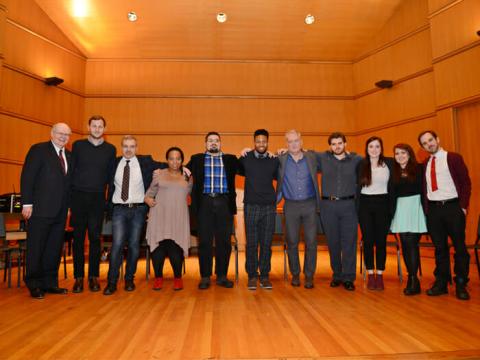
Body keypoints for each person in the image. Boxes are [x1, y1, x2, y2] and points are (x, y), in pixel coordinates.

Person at [103, 135, 167, 295]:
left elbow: (169, 165)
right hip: (119, 209)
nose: (129, 149)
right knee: (117, 245)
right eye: (125, 146)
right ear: (121, 147)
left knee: (133, 246)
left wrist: (184, 168)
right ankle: (112, 282)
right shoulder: (114, 163)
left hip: (138, 210)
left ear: (136, 148)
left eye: (132, 146)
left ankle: (129, 279)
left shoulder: (145, 161)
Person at [418, 130, 472, 300]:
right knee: (440, 248)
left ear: (437, 139)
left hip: (453, 207)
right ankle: (441, 282)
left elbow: (465, 183)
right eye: (425, 143)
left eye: (431, 140)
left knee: (460, 247)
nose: (429, 144)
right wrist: (427, 211)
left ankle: (461, 282)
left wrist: (462, 207)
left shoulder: (454, 158)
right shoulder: (426, 163)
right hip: (434, 211)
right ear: (423, 147)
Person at [20, 123, 72, 299]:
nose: (63, 137)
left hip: (60, 211)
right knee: (37, 247)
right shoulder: (38, 150)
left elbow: (68, 185)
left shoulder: (69, 156)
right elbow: (27, 177)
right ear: (52, 133)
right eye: (60, 133)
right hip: (39, 210)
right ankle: (34, 283)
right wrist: (26, 203)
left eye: (67, 134)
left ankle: (50, 283)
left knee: (53, 248)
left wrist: (69, 208)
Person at [187, 132, 239, 290]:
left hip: (224, 202)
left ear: (220, 143)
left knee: (224, 242)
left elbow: (248, 167)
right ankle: (205, 276)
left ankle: (222, 276)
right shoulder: (196, 159)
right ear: (205, 144)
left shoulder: (230, 159)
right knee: (204, 242)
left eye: (216, 140)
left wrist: (247, 152)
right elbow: (179, 169)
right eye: (210, 141)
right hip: (204, 203)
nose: (213, 143)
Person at [70, 115, 116, 293]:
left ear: (104, 129)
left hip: (98, 198)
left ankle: (93, 277)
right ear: (88, 127)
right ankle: (79, 278)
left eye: (100, 126)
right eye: (94, 126)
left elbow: (111, 178)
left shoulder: (110, 149)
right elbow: (71, 172)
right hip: (78, 197)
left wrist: (108, 201)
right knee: (79, 240)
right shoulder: (78, 146)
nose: (97, 129)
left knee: (96, 239)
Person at [316, 132, 362, 291]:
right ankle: (337, 275)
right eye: (334, 144)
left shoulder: (356, 160)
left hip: (349, 205)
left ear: (345, 144)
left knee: (349, 243)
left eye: (340, 143)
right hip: (328, 206)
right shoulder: (322, 158)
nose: (337, 146)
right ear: (330, 146)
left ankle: (349, 277)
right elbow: (301, 153)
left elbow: (375, 160)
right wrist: (283, 151)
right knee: (333, 242)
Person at [277, 130, 321, 289]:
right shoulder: (280, 159)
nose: (293, 144)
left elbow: (332, 156)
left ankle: (309, 276)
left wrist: (347, 152)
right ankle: (295, 274)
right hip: (290, 205)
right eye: (290, 141)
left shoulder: (312, 157)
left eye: (296, 141)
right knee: (292, 241)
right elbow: (264, 159)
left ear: (301, 142)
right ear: (286, 144)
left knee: (311, 242)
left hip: (309, 204)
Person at [144, 147, 192, 291]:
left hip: (178, 217)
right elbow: (149, 194)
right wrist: (147, 200)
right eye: (171, 158)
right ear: (167, 160)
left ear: (182, 160)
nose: (175, 161)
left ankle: (178, 278)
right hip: (159, 215)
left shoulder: (188, 177)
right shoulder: (159, 174)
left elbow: (193, 195)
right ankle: (158, 278)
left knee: (175, 249)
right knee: (158, 249)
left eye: (178, 158)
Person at [238, 129, 279, 290]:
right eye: (258, 141)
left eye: (264, 141)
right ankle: (252, 276)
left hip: (269, 206)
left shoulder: (273, 160)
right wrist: (240, 153)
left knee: (266, 243)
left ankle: (265, 276)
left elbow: (280, 176)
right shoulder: (245, 158)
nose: (261, 144)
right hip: (251, 206)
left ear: (267, 142)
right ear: (254, 142)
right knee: (252, 244)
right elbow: (232, 166)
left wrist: (280, 153)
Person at [356, 136, 394, 290]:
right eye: (371, 146)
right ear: (367, 149)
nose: (374, 149)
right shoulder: (361, 164)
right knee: (368, 241)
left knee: (381, 242)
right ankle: (370, 274)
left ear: (381, 148)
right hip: (365, 204)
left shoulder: (389, 163)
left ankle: (380, 274)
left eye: (377, 146)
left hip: (383, 205)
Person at [390, 143, 427, 295]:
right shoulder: (394, 171)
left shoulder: (419, 168)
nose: (400, 156)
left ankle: (413, 279)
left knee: (412, 242)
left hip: (415, 207)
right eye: (397, 153)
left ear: (409, 154)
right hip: (400, 208)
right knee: (405, 243)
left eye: (403, 153)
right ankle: (412, 278)